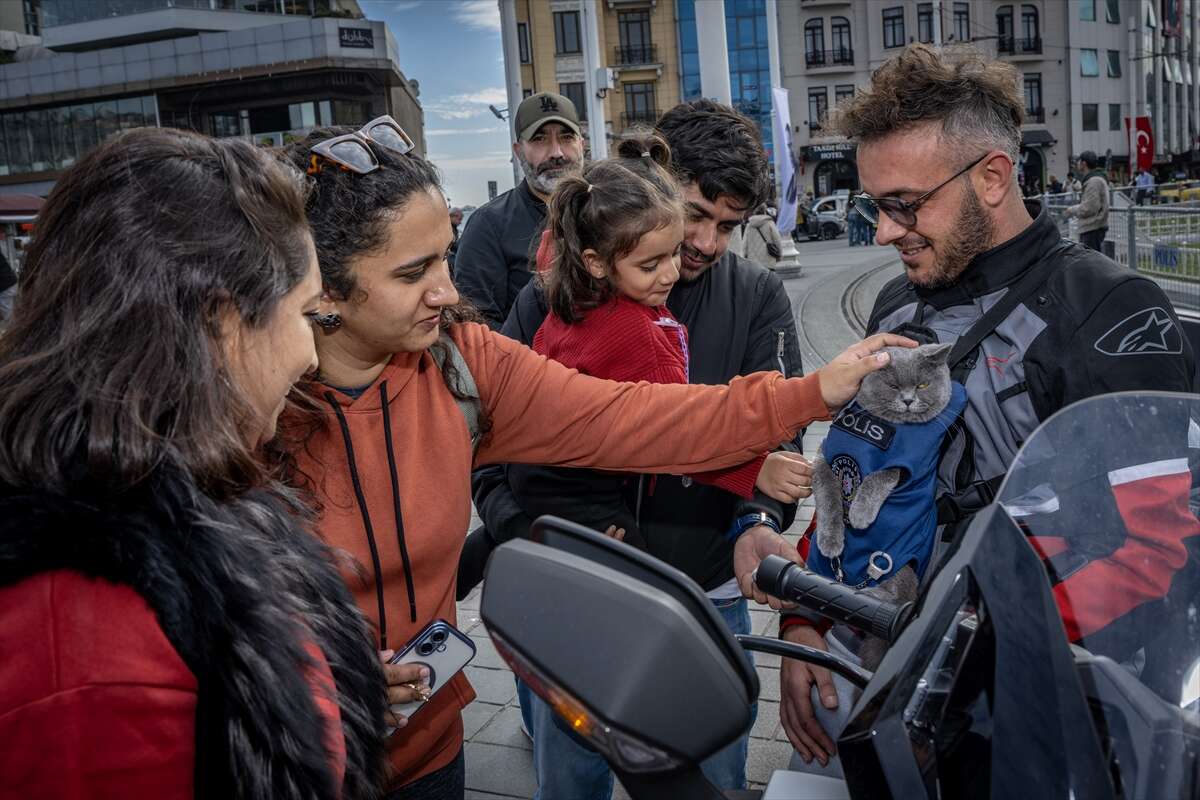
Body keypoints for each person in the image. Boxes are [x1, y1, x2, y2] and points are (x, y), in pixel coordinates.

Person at [279, 117, 901, 799]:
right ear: (324, 287)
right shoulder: (247, 411)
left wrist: (810, 393)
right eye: (412, 271)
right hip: (304, 759)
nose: (448, 293)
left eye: (444, 259)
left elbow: (634, 415)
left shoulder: (463, 363)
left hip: (430, 749)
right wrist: (311, 672)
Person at [778, 43, 1197, 774]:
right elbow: (850, 473)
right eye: (876, 205)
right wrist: (806, 621)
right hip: (880, 657)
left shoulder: (1109, 309)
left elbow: (1162, 549)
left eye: (903, 205)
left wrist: (961, 649)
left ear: (994, 177)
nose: (881, 232)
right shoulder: (896, 301)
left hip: (1040, 694)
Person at [0, 128, 386, 798]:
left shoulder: (183, 498)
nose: (311, 356)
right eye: (307, 315)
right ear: (223, 326)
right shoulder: (83, 647)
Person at [469, 100, 809, 796]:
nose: (707, 243)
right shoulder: (552, 300)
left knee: (711, 779)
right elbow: (492, 436)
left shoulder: (757, 297)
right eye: (695, 214)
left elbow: (780, 438)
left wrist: (757, 524)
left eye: (728, 225)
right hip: (577, 602)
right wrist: (520, 527)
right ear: (653, 185)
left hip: (706, 596)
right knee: (569, 782)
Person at [454, 92, 584, 327]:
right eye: (540, 140)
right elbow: (477, 327)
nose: (556, 152)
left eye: (566, 137)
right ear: (518, 150)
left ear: (581, 144)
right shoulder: (489, 225)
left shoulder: (609, 210)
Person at [1063, 151, 1110, 252]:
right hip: (1093, 227)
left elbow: (1090, 207)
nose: (1077, 164)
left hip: (1092, 227)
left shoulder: (1094, 181)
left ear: (1084, 163)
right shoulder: (1095, 179)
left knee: (1092, 264)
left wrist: (1072, 210)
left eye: (1079, 161)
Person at [0, 251, 15, 329]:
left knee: (8, 316)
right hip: (6, 282)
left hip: (4, 285)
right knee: (7, 314)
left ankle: (15, 335)